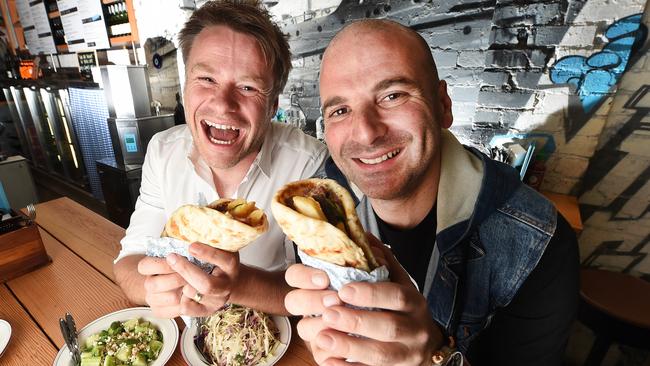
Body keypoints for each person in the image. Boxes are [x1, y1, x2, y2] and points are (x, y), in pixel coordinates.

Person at [284, 19, 579, 366]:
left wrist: (433, 357)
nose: (365, 133)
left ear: (443, 105)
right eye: (341, 110)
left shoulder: (539, 244)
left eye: (392, 95)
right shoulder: (315, 208)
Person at [113, 0, 328, 319]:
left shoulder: (308, 164)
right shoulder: (162, 151)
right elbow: (129, 262)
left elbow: (323, 291)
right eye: (207, 80)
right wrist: (152, 289)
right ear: (185, 88)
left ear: (272, 106)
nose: (223, 104)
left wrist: (236, 286)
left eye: (247, 86)